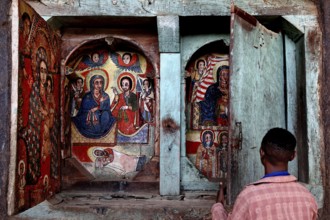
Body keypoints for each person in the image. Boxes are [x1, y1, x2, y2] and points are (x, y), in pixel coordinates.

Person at [211, 127, 318, 220]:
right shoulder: (307, 196)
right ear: (293, 156)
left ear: (262, 152)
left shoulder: (248, 197)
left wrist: (218, 206)